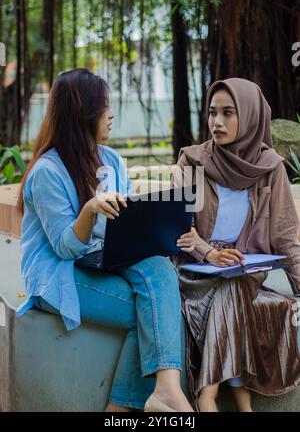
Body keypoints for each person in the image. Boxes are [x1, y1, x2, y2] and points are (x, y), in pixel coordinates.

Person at [16, 68, 194, 413]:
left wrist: (162, 232)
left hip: (104, 259)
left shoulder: (111, 160)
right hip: (58, 273)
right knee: (149, 312)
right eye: (104, 107)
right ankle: (126, 409)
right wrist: (89, 211)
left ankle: (165, 391)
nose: (111, 114)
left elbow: (124, 225)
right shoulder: (46, 173)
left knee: (158, 266)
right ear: (82, 114)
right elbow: (65, 248)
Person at [171, 77, 300, 412]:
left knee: (237, 279)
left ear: (251, 115)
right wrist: (208, 252)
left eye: (228, 113)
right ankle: (230, 401)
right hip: (196, 271)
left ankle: (208, 394)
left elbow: (287, 236)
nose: (217, 121)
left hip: (244, 268)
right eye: (213, 112)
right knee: (233, 285)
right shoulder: (192, 161)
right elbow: (177, 227)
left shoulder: (270, 168)